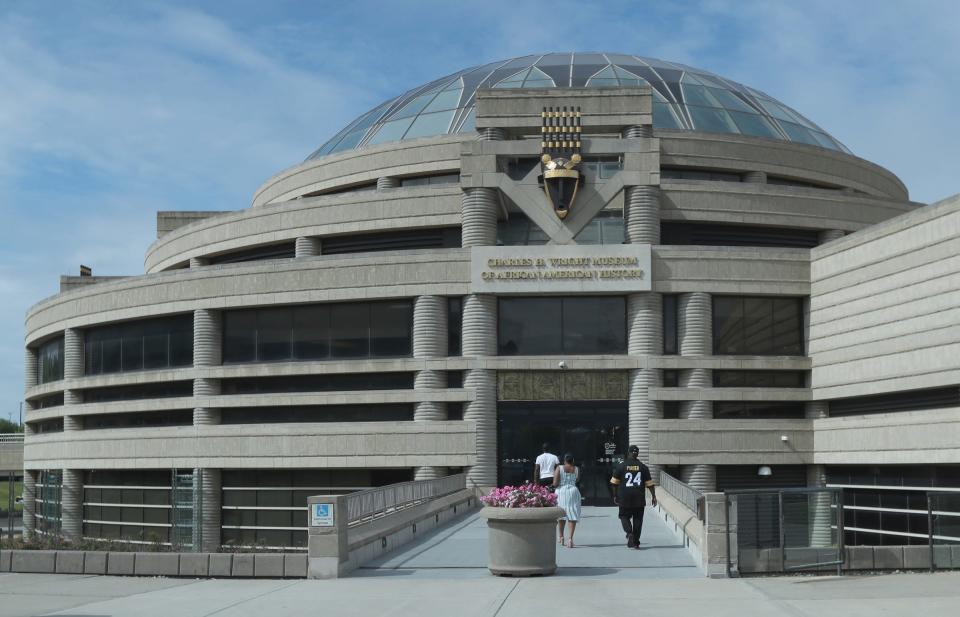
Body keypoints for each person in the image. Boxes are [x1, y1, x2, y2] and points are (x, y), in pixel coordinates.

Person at [610, 445, 657, 549]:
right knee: (638, 520)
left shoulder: (621, 466)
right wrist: (653, 496)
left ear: (628, 452)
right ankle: (636, 542)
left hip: (624, 497)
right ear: (637, 454)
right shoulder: (643, 467)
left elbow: (614, 483)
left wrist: (615, 495)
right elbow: (650, 484)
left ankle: (629, 533)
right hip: (639, 498)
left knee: (623, 516)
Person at [553, 453, 582, 547]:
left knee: (561, 513)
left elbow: (555, 483)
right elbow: (577, 480)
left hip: (561, 491)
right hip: (573, 490)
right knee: (572, 514)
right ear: (573, 460)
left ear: (564, 460)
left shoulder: (559, 468)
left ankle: (561, 536)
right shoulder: (576, 469)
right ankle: (570, 539)